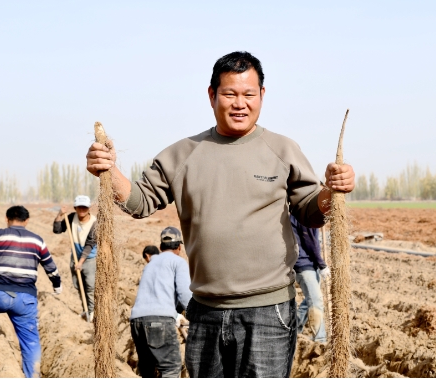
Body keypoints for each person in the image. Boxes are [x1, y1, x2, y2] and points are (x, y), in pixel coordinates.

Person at [86, 51, 355, 377]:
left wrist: (333, 190)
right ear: (212, 95)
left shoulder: (283, 150)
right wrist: (109, 170)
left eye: (248, 94)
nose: (240, 103)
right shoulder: (181, 155)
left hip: (268, 312)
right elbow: (140, 202)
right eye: (229, 94)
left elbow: (312, 211)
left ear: (262, 96)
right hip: (206, 313)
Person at [0, 203, 62, 378]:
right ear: (27, 221)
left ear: (7, 219)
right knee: (31, 343)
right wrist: (57, 285)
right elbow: (51, 268)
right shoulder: (37, 241)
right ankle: (32, 375)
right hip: (26, 301)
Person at [130, 227, 192, 378]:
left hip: (136, 321)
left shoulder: (150, 264)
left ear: (160, 247)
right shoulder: (178, 262)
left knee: (147, 368)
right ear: (179, 247)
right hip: (159, 322)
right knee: (170, 367)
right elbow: (185, 295)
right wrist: (194, 315)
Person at [53, 195, 97, 321]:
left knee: (90, 287)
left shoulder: (95, 223)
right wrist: (59, 215)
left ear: (88, 208)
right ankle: (85, 309)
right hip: (75, 257)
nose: (82, 210)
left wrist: (81, 262)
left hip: (89, 258)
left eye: (85, 207)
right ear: (75, 208)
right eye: (79, 207)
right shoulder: (71, 218)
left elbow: (89, 244)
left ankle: (92, 311)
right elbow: (57, 230)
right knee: (78, 285)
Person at [290, 214, 330, 343]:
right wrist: (322, 264)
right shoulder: (305, 217)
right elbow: (310, 242)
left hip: (310, 263)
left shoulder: (306, 215)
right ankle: (320, 340)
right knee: (316, 301)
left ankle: (294, 330)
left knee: (309, 301)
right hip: (304, 264)